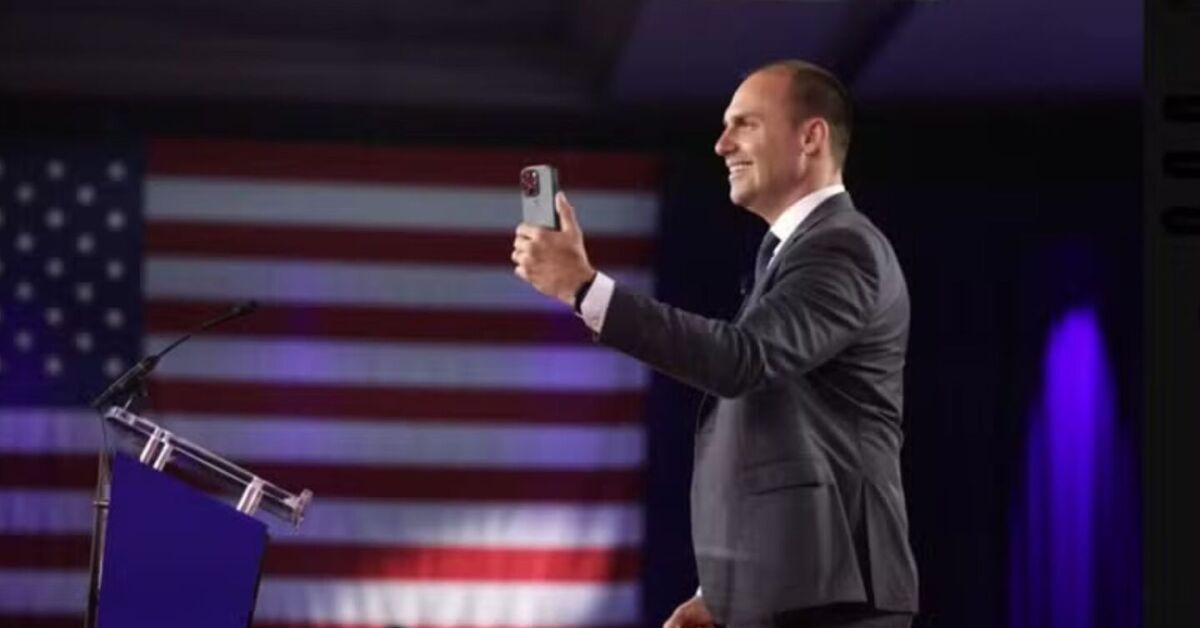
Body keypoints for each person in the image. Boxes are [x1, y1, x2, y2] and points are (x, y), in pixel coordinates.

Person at [510, 60, 918, 628]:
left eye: (745, 124)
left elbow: (741, 360)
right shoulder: (796, 251)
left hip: (834, 599)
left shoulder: (842, 248)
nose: (722, 144)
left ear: (811, 137)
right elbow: (781, 425)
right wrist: (724, 593)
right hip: (795, 591)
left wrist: (585, 289)